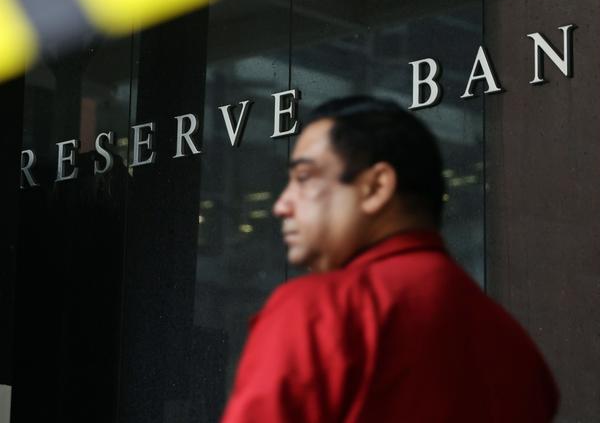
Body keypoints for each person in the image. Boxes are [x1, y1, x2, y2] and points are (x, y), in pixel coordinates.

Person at [221, 96, 559, 422]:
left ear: (376, 186)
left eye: (304, 178)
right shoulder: (515, 348)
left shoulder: (317, 311)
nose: (281, 205)